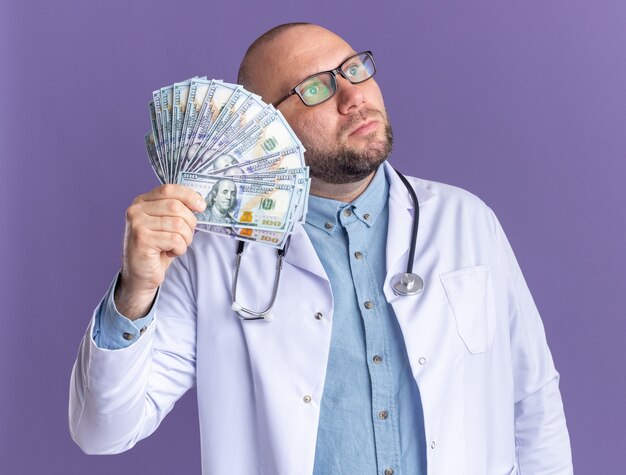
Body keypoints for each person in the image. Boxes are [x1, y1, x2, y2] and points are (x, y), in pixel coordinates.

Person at [69, 23, 573, 474]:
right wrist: (136, 291)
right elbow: (103, 432)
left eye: (354, 69)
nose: (352, 96)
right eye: (315, 88)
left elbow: (533, 399)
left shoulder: (467, 220)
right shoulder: (209, 254)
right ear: (260, 128)